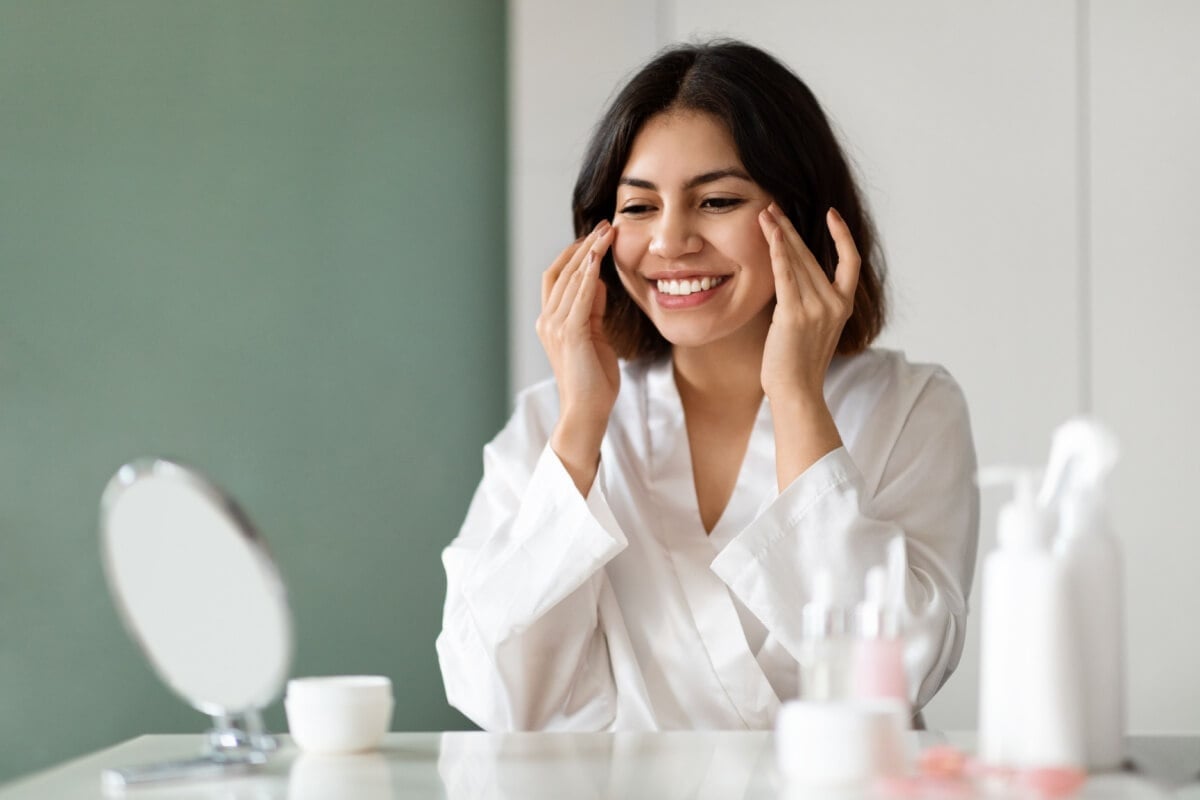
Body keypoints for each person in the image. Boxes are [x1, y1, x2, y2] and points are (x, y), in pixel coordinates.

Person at [437, 39, 979, 731]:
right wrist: (581, 428)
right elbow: (496, 698)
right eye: (637, 208)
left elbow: (902, 671)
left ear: (806, 216)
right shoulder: (552, 423)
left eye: (716, 200)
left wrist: (797, 398)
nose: (669, 241)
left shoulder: (911, 408)